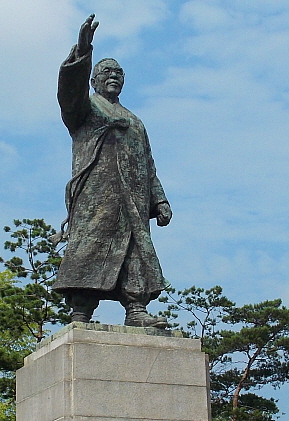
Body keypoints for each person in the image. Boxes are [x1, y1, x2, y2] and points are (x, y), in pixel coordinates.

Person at [53, 14, 172, 328]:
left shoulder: (135, 121)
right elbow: (69, 93)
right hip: (97, 195)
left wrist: (159, 200)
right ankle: (81, 312)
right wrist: (83, 54)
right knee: (88, 248)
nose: (114, 76)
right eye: (106, 71)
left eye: (119, 72)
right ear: (93, 80)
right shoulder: (85, 109)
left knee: (135, 248)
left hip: (131, 199)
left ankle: (136, 309)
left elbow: (148, 165)